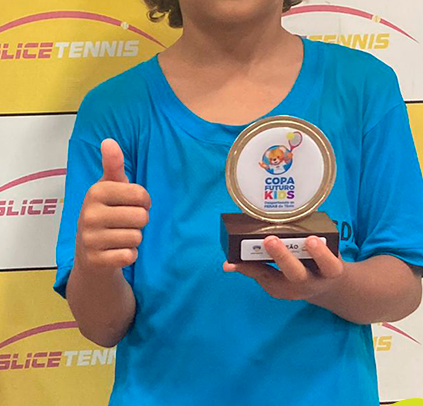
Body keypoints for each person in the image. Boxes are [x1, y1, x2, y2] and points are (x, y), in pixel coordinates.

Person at [54, 0, 423, 404]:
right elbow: (101, 326)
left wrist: (332, 286)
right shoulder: (114, 109)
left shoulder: (364, 87)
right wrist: (96, 263)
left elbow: (403, 289)